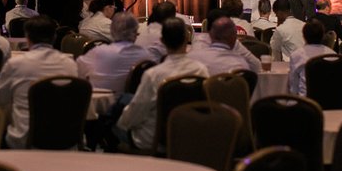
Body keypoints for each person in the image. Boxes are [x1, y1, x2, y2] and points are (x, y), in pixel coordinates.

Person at [117, 18, 209, 152]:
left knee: (115, 124)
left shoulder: (153, 74)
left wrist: (122, 121)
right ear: (186, 40)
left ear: (162, 41)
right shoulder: (201, 70)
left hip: (155, 141)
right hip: (188, 138)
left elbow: (136, 113)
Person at [0, 15, 78, 148]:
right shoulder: (70, 65)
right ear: (54, 37)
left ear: (27, 37)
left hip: (24, 139)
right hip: (65, 139)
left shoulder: (16, 64)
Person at [76, 12, 155, 93]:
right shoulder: (146, 55)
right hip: (131, 101)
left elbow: (79, 68)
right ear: (136, 33)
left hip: (101, 100)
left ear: (112, 31)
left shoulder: (99, 52)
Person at [189, 14, 259, 76]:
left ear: (211, 36)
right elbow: (257, 66)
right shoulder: (241, 66)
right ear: (234, 38)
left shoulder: (192, 59)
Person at [289, 19, 336, 97]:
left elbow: (294, 87)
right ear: (322, 35)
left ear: (304, 36)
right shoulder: (333, 55)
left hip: (305, 103)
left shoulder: (297, 55)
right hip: (331, 103)